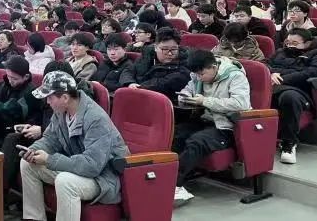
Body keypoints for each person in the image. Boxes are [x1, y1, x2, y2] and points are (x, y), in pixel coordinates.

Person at [20, 71, 129, 221]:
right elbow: (50, 139)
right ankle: (34, 218)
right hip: (77, 168)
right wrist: (33, 150)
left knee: (65, 181)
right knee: (28, 163)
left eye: (50, 97)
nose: (47, 102)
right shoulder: (61, 111)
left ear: (65, 98)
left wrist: (49, 160)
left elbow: (92, 165)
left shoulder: (96, 119)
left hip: (102, 178)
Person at [1, 61, 95, 205]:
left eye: (50, 97)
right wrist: (32, 126)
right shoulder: (53, 98)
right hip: (47, 135)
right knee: (16, 143)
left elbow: (70, 135)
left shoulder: (83, 107)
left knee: (14, 141)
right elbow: (45, 119)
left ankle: (0, 194)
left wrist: (42, 131)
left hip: (71, 151)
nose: (47, 100)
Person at [173, 50, 251, 204]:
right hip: (204, 120)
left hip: (227, 126)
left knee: (197, 142)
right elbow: (188, 88)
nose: (199, 78)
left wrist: (205, 101)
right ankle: (170, 177)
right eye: (196, 75)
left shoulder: (235, 76)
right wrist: (184, 96)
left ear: (214, 67)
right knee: (176, 134)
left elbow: (241, 104)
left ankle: (175, 184)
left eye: (202, 74)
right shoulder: (198, 75)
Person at [268, 28, 317, 164]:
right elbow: (265, 64)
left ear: (307, 43)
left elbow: (309, 73)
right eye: (288, 42)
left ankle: (289, 143)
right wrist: (271, 73)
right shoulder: (280, 52)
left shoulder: (314, 54)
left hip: (300, 90)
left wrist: (282, 78)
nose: (290, 46)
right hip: (273, 87)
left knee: (289, 98)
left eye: (295, 43)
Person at [119, 27, 191, 102]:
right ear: (156, 47)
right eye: (165, 49)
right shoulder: (146, 55)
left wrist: (138, 88)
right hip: (136, 95)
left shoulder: (185, 63)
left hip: (161, 101)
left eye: (174, 49)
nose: (170, 53)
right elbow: (129, 70)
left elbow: (163, 84)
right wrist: (130, 83)